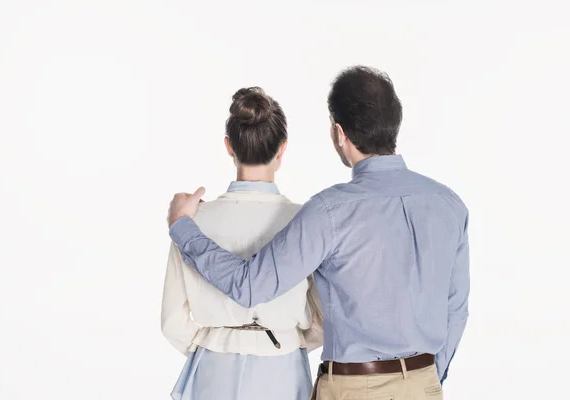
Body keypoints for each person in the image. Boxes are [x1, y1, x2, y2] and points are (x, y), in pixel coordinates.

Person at [166, 66, 470, 400]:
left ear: (339, 133)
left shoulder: (329, 211)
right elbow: (455, 308)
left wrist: (182, 228)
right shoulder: (450, 205)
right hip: (423, 384)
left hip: (353, 386)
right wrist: (424, 378)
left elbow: (250, 286)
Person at [161, 87, 323, 400]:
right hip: (283, 365)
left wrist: (216, 342)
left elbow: (173, 320)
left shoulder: (191, 220)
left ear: (229, 147)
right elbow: (323, 315)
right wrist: (291, 339)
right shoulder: (305, 220)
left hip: (213, 364)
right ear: (282, 149)